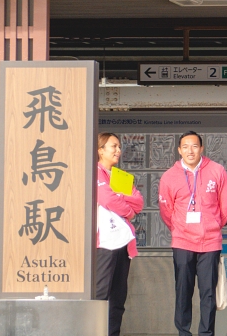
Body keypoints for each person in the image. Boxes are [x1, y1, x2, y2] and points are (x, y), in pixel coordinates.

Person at [158, 131, 227, 336]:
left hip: (210, 242)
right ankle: (183, 332)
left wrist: (213, 225)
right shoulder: (169, 176)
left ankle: (206, 333)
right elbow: (166, 209)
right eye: (185, 147)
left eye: (194, 146)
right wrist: (177, 228)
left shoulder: (217, 171)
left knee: (208, 294)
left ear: (201, 148)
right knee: (183, 291)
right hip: (182, 241)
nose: (190, 151)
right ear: (179, 150)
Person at [96, 132, 145, 336]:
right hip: (103, 245)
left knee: (118, 298)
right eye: (113, 146)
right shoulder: (94, 173)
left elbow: (139, 202)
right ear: (100, 150)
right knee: (100, 296)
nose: (118, 150)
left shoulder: (120, 176)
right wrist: (127, 207)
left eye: (119, 146)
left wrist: (121, 198)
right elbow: (106, 198)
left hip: (123, 243)